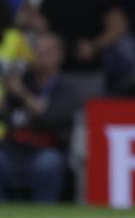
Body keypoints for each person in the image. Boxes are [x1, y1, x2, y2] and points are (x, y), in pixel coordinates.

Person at [0, 33, 80, 202]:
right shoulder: (23, 81)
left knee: (48, 164)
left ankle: (44, 209)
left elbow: (50, 117)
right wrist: (6, 91)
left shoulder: (66, 87)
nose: (42, 57)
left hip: (47, 149)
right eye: (38, 52)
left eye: (48, 52)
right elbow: (5, 116)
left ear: (60, 55)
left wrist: (22, 94)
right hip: (14, 149)